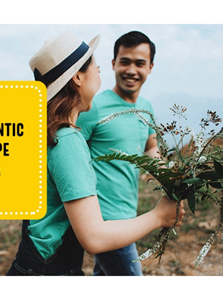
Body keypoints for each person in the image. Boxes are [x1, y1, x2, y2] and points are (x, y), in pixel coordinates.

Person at [6, 31, 184, 276]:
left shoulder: (52, 134)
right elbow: (94, 237)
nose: (99, 72)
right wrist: (159, 216)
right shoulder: (67, 140)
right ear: (78, 77)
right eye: (96, 67)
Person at [76, 31, 160, 276]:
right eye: (125, 62)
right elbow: (72, 155)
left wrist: (166, 171)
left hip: (128, 217)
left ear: (150, 67)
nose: (131, 70)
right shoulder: (94, 107)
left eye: (139, 63)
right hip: (102, 221)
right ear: (113, 64)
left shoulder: (146, 107)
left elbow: (151, 147)